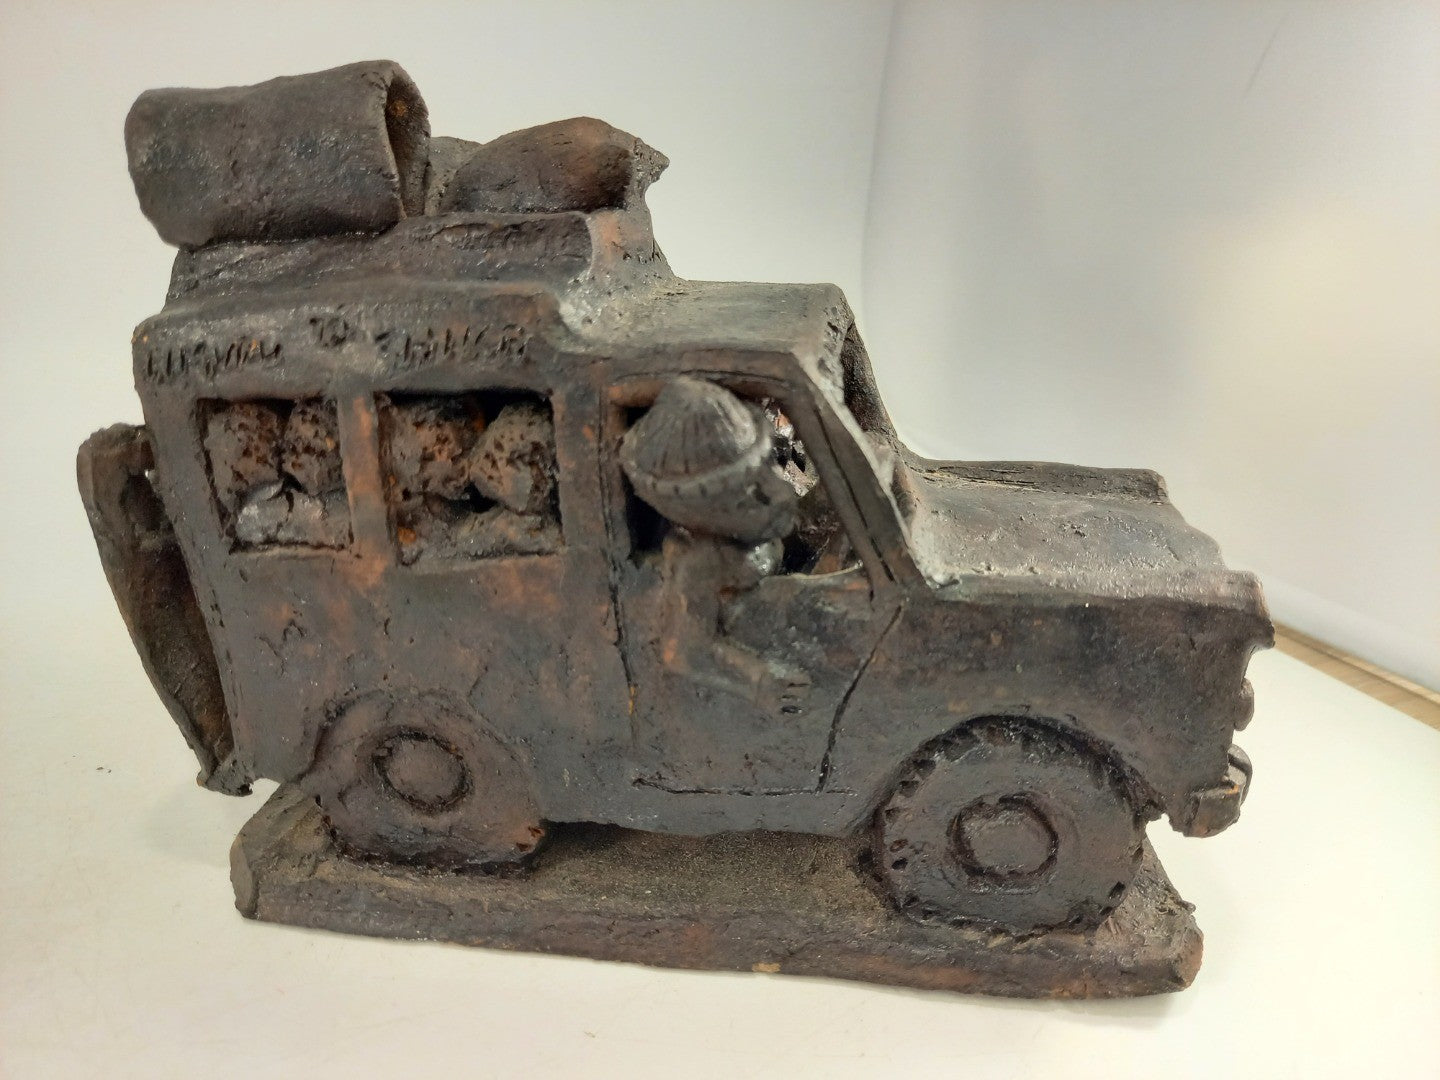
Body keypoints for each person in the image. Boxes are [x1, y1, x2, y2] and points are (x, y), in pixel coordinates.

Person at [620, 377, 810, 712]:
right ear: (698, 514)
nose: (780, 493)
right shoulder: (703, 563)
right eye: (748, 492)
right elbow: (682, 651)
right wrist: (758, 680)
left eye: (766, 467)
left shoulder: (751, 532)